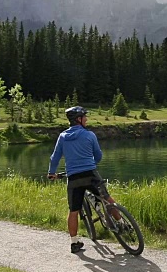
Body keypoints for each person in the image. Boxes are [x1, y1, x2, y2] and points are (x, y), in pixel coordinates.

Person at [47, 106, 118, 253]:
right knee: (107, 199)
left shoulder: (62, 137)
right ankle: (122, 223)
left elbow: (55, 157)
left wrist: (51, 173)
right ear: (78, 119)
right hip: (90, 174)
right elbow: (98, 155)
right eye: (84, 117)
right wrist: (91, 162)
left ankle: (74, 243)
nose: (86, 119)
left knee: (73, 210)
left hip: (74, 178)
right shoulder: (89, 135)